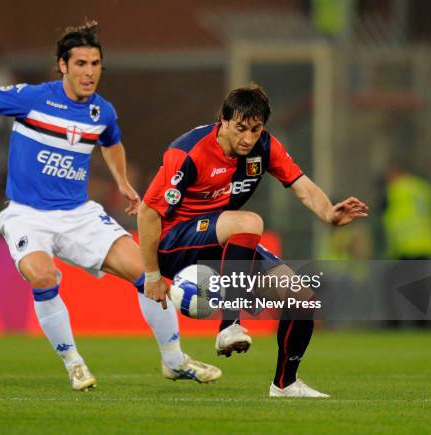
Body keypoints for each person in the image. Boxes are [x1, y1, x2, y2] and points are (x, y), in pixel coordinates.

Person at [0, 22, 220, 391]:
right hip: (28, 215)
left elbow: (111, 142)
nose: (89, 72)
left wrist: (122, 181)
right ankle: (74, 363)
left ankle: (174, 361)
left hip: (78, 214)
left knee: (148, 272)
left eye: (95, 64)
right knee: (43, 276)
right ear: (62, 65)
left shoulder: (101, 112)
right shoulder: (31, 99)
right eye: (80, 64)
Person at [138, 84, 369, 397]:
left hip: (224, 239)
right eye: (240, 128)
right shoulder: (188, 152)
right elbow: (149, 212)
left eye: (256, 129)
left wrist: (329, 213)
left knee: (301, 300)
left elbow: (302, 186)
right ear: (223, 120)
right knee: (250, 221)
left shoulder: (265, 147)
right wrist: (152, 275)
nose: (248, 138)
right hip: (175, 241)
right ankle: (228, 326)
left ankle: (285, 384)